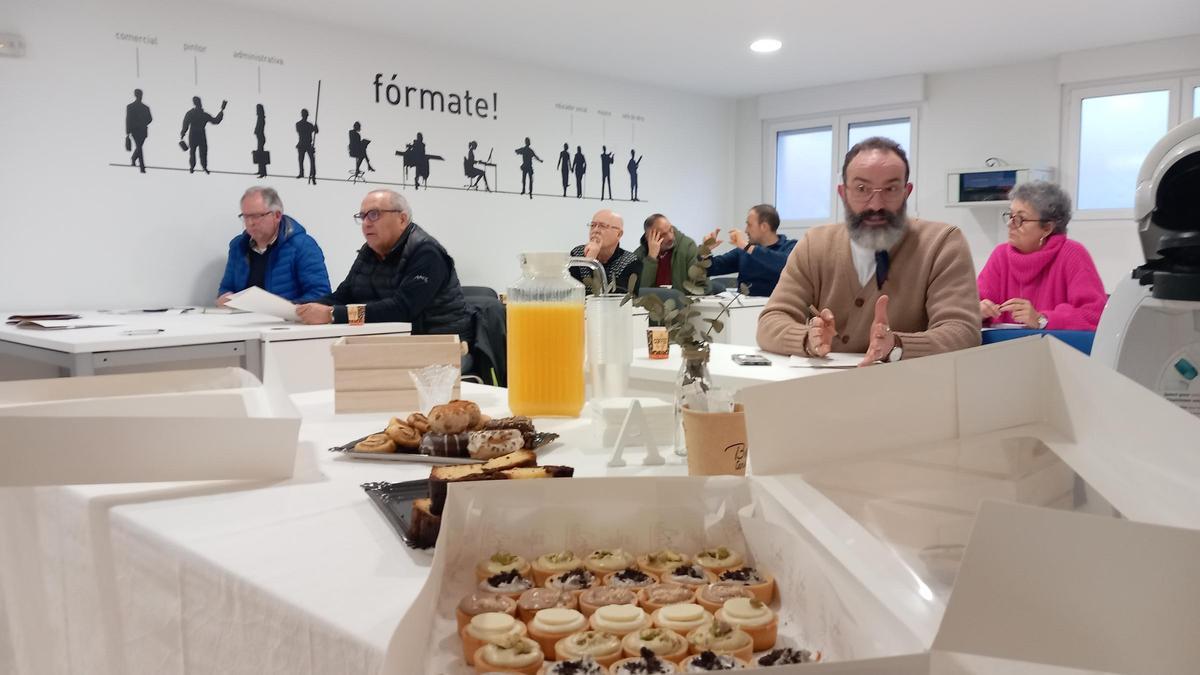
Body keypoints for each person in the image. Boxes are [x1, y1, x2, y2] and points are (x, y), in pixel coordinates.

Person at [757, 137, 980, 365]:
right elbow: (771, 322)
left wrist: (897, 346)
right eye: (862, 189)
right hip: (822, 390)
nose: (876, 205)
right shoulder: (815, 244)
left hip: (909, 390)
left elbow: (962, 331)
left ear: (906, 191)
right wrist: (808, 339)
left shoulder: (942, 244)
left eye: (891, 189)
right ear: (843, 193)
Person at [296, 190, 471, 339]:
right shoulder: (369, 251)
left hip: (438, 345)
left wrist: (332, 314)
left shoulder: (426, 253)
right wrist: (299, 308)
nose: (366, 223)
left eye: (374, 214)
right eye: (362, 216)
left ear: (402, 219)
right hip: (391, 342)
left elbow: (402, 310)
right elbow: (344, 295)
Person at [977, 181, 1107, 330]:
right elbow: (969, 307)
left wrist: (1042, 320)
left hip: (1058, 351)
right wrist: (978, 311)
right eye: (1010, 216)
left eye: (1020, 219)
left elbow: (1095, 316)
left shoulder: (1072, 254)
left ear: (1047, 228)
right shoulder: (1000, 255)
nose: (1010, 224)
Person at [217, 186, 331, 305]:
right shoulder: (238, 246)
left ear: (277, 216)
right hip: (244, 320)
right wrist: (225, 298)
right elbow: (226, 288)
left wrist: (284, 309)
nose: (250, 223)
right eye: (246, 216)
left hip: (288, 321)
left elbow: (320, 294)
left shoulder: (303, 246)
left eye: (256, 216)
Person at [703, 204, 795, 296]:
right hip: (744, 307)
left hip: (776, 308)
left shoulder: (791, 246)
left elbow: (784, 264)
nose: (746, 230)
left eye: (749, 225)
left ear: (764, 227)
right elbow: (711, 269)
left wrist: (745, 246)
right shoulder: (744, 251)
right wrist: (706, 251)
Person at [570, 209, 640, 294]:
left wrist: (593, 263)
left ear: (619, 234)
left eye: (602, 226)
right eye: (593, 225)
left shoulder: (631, 261)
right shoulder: (578, 254)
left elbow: (618, 299)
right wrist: (587, 261)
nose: (595, 230)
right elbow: (571, 294)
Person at [637, 213, 703, 294]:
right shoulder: (640, 254)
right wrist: (651, 258)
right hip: (651, 305)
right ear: (649, 238)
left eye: (671, 230)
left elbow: (701, 287)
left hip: (682, 304)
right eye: (663, 234)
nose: (670, 237)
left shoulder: (687, 247)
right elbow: (640, 292)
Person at [180, 96, 226, 174]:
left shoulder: (193, 113)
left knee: (198, 151)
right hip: (198, 134)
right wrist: (222, 110)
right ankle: (197, 167)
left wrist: (222, 110)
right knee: (198, 152)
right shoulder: (201, 114)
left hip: (196, 134)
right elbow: (215, 121)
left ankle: (198, 167)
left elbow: (215, 121)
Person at [125, 89, 152, 173]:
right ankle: (142, 167)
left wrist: (143, 123)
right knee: (139, 147)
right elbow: (128, 119)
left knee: (139, 147)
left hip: (143, 130)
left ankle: (133, 158)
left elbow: (150, 119)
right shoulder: (130, 107)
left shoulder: (145, 108)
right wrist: (128, 131)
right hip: (135, 130)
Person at [295, 109, 318, 184]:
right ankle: (302, 173)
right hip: (302, 144)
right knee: (301, 160)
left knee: (312, 160)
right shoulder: (299, 124)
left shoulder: (309, 125)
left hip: (307, 144)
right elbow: (301, 131)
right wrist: (313, 128)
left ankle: (313, 175)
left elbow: (316, 131)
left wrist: (315, 127)